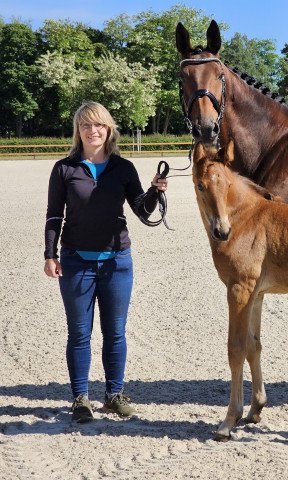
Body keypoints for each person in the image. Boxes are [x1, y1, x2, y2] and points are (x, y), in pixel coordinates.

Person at [44, 101, 168, 423]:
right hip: (75, 263)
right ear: (78, 131)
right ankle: (80, 399)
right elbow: (55, 215)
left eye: (99, 125)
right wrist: (49, 254)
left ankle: (114, 395)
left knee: (115, 333)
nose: (93, 130)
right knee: (79, 334)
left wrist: (154, 192)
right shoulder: (64, 169)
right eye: (86, 125)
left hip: (117, 263)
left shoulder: (123, 168)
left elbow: (142, 211)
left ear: (108, 129)